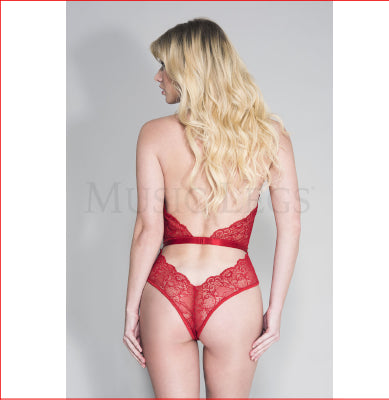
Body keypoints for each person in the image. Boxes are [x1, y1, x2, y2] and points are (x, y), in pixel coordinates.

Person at [123, 18, 301, 398]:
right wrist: (275, 309)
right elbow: (291, 228)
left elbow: (147, 231)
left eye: (164, 66)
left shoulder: (153, 134)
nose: (157, 77)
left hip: (166, 290)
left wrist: (131, 309)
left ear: (187, 71)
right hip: (233, 295)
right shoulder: (270, 137)